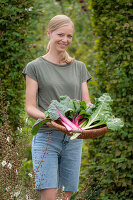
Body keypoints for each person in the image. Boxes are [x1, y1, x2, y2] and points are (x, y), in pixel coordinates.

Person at [22, 15, 92, 200]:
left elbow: (87, 104)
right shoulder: (34, 67)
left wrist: (94, 118)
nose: (65, 40)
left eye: (69, 36)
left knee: (66, 196)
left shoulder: (79, 68)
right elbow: (30, 107)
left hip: (73, 138)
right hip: (47, 136)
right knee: (49, 196)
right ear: (49, 33)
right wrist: (52, 119)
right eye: (60, 34)